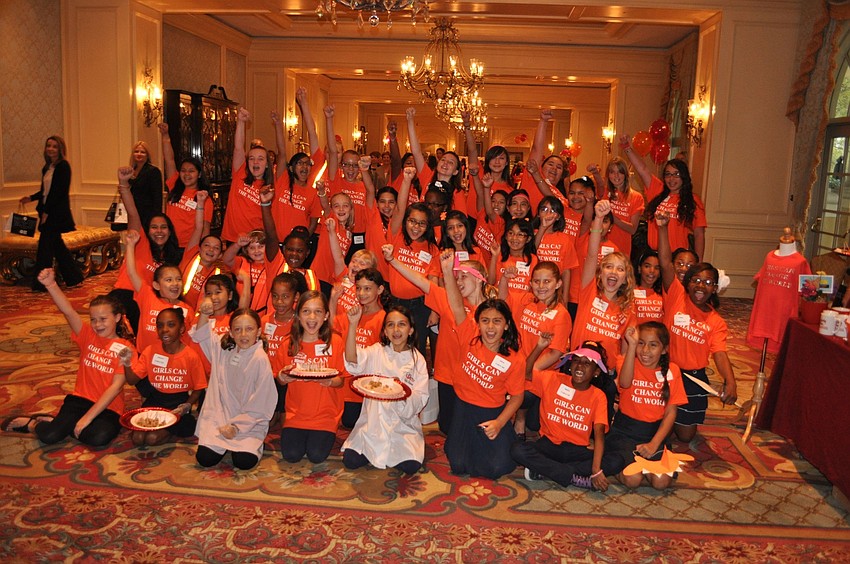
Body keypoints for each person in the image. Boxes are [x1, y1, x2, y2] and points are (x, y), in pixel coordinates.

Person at [1, 269, 133, 446]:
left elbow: (116, 387)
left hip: (109, 407)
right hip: (79, 401)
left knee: (98, 438)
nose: (97, 324)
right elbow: (69, 312)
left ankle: (64, 424)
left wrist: (87, 418)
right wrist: (51, 285)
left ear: (117, 317)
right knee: (50, 436)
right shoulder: (88, 335)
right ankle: (33, 424)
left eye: (103, 319)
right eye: (93, 319)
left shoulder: (126, 348)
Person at [656, 213, 736, 442]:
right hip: (666, 371)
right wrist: (663, 229)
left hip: (693, 377)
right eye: (696, 280)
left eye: (708, 282)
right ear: (687, 283)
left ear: (715, 289)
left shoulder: (716, 322)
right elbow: (664, 262)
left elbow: (720, 354)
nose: (701, 285)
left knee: (685, 436)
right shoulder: (676, 295)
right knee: (658, 425)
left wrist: (730, 381)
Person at [511, 334, 613, 491]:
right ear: (570, 365)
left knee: (616, 460)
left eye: (587, 363)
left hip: (578, 449)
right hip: (550, 445)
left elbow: (599, 434)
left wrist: (595, 470)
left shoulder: (598, 396)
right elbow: (525, 373)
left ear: (596, 372)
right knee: (517, 450)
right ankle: (573, 477)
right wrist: (539, 347)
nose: (580, 366)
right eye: (577, 361)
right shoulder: (552, 379)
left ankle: (547, 471)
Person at [342, 305, 429, 474]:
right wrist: (353, 325)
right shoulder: (377, 351)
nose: (396, 330)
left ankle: (402, 449)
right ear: (385, 331)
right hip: (373, 424)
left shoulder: (418, 360)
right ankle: (369, 447)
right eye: (390, 325)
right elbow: (353, 360)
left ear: (410, 330)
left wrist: (401, 396)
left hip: (403, 425)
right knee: (350, 461)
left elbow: (421, 396)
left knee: (411, 466)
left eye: (401, 324)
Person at [191, 302, 276, 470]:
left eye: (249, 329)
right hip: (220, 419)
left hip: (248, 424)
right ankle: (221, 443)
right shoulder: (224, 349)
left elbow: (262, 401)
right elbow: (203, 335)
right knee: (205, 459)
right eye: (237, 329)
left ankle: (248, 445)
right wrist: (203, 314)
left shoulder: (260, 359)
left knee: (243, 462)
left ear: (258, 332)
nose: (243, 334)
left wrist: (237, 427)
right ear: (230, 332)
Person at [607, 322, 687, 489]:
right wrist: (632, 346)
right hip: (625, 432)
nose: (645, 351)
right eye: (641, 343)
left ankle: (644, 463)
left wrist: (654, 444)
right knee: (632, 480)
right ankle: (615, 458)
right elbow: (625, 382)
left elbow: (671, 413)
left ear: (664, 349)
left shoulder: (673, 371)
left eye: (653, 345)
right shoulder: (626, 360)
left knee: (661, 482)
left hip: (654, 434)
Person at [110, 167, 185, 331]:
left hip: (147, 300)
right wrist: (123, 184)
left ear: (170, 231)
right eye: (154, 227)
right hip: (125, 294)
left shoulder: (172, 257)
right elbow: (132, 213)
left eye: (163, 227)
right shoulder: (140, 241)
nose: (159, 231)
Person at [275, 291, 346, 464]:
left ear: (326, 315)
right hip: (296, 414)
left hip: (325, 415)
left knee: (316, 455)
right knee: (291, 455)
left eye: (318, 311)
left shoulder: (335, 342)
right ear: (298, 315)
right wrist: (283, 377)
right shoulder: (288, 344)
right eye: (306, 311)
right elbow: (279, 378)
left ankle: (322, 433)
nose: (312, 317)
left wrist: (329, 380)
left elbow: (341, 380)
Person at [119, 308, 206, 446]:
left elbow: (199, 387)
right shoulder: (151, 351)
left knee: (152, 438)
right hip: (156, 401)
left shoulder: (191, 356)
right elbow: (131, 380)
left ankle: (173, 431)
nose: (164, 329)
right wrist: (126, 362)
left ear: (182, 328)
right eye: (160, 325)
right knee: (137, 438)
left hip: (177, 405)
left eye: (171, 325)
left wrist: (187, 405)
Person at [620, 133, 707, 260]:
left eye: (676, 174)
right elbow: (642, 169)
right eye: (668, 174)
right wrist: (627, 147)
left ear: (684, 176)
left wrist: (698, 264)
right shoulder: (657, 190)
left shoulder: (693, 200)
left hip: (676, 258)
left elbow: (699, 235)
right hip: (653, 256)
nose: (671, 179)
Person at [385, 167, 441, 358]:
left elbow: (433, 283)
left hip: (421, 305)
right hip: (396, 303)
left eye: (422, 223)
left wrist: (434, 310)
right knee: (394, 348)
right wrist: (407, 180)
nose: (416, 227)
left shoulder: (432, 249)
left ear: (428, 226)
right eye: (412, 221)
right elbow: (400, 208)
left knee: (416, 350)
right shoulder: (396, 236)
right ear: (405, 222)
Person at [22, 135, 84, 292]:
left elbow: (58, 192)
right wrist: (31, 198)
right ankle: (73, 278)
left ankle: (41, 282)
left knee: (45, 248)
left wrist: (46, 212)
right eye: (48, 145)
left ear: (60, 149)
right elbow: (45, 191)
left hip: (55, 213)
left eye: (54, 146)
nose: (50, 149)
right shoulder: (48, 167)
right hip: (47, 210)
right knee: (57, 246)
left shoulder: (63, 167)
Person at [332, 267, 389, 429]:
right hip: (347, 383)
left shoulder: (384, 319)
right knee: (347, 420)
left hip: (368, 384)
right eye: (358, 288)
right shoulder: (354, 313)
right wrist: (333, 301)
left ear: (380, 290)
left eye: (367, 289)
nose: (361, 293)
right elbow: (331, 328)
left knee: (355, 422)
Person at [221, 107, 275, 244]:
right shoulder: (240, 174)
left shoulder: (270, 188)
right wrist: (240, 121)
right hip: (233, 239)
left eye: (261, 159)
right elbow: (238, 147)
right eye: (251, 158)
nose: (255, 162)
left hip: (255, 243)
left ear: (267, 164)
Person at [159, 123, 213, 249]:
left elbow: (205, 227)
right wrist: (165, 136)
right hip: (168, 243)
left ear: (199, 174)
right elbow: (169, 160)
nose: (187, 174)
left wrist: (204, 249)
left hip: (189, 246)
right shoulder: (174, 186)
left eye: (191, 171)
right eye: (183, 171)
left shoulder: (203, 198)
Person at [587, 156, 644, 258]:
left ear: (625, 174)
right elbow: (600, 184)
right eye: (612, 172)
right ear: (608, 175)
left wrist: (612, 217)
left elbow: (632, 229)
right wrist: (595, 172)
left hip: (622, 250)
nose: (616, 175)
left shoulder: (636, 197)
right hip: (600, 247)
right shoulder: (605, 191)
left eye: (620, 172)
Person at [489, 218, 537, 301]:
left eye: (520, 234)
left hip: (523, 305)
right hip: (501, 303)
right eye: (511, 233)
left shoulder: (533, 259)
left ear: (528, 239)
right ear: (506, 236)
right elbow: (490, 281)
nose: (514, 238)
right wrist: (494, 256)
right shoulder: (499, 255)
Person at [126, 140, 164, 228]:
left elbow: (157, 198)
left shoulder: (153, 171)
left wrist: (156, 218)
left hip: (147, 214)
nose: (139, 154)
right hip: (131, 213)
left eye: (142, 152)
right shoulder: (130, 171)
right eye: (136, 151)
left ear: (147, 155)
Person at [633, 250, 664, 323]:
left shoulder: (664, 294)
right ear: (639, 269)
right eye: (647, 266)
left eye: (657, 268)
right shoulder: (629, 291)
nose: (652, 271)